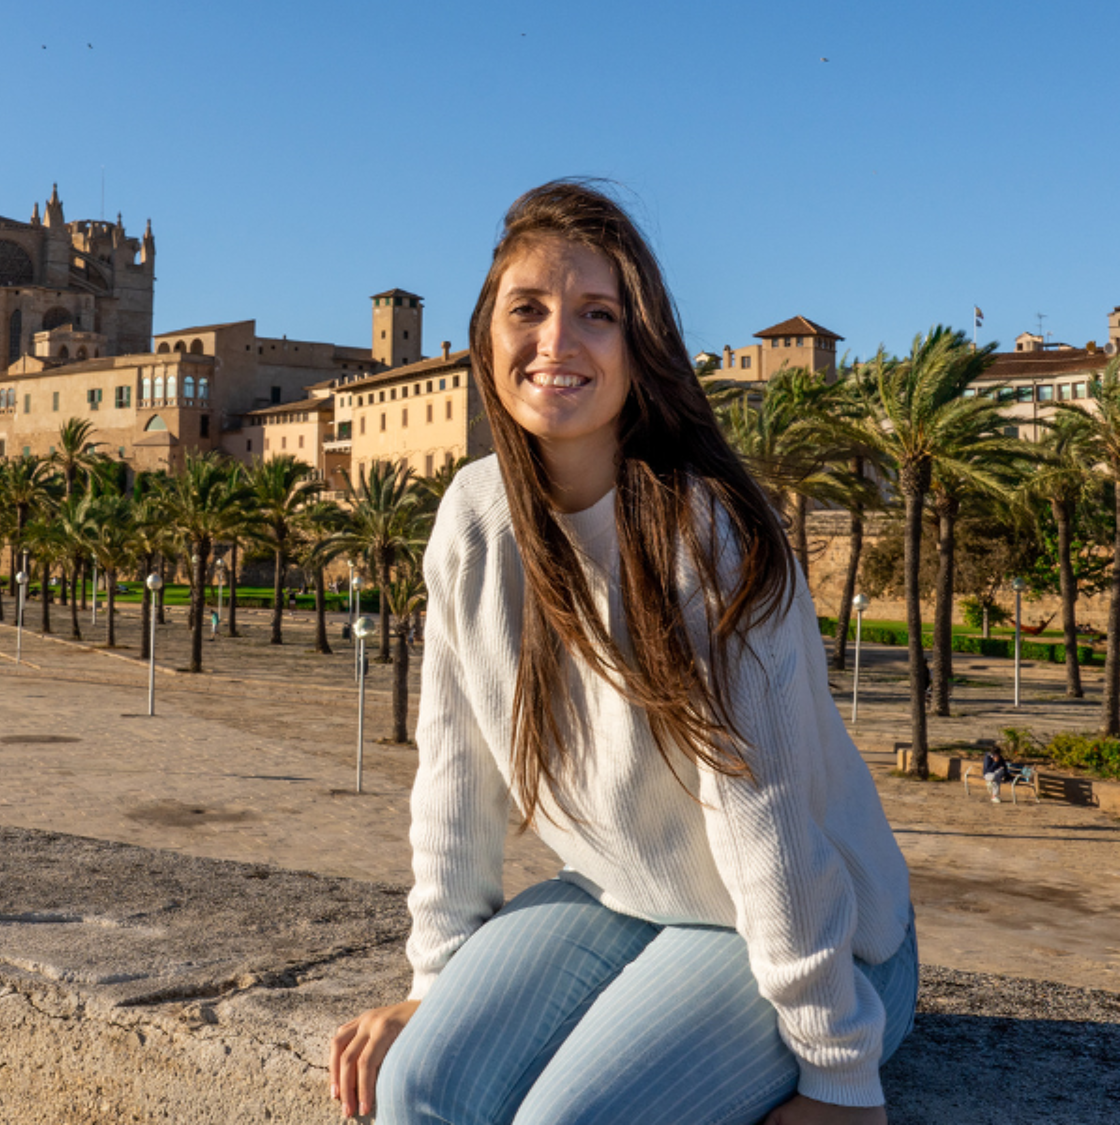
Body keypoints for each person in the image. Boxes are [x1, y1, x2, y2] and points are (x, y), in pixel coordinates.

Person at [328, 182, 916, 1125]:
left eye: (595, 314)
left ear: (640, 347)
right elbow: (457, 778)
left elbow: (762, 812)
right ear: (487, 335)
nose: (557, 342)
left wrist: (839, 1072)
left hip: (812, 928)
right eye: (529, 309)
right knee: (415, 1086)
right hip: (619, 894)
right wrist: (436, 983)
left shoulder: (707, 533)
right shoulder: (473, 520)